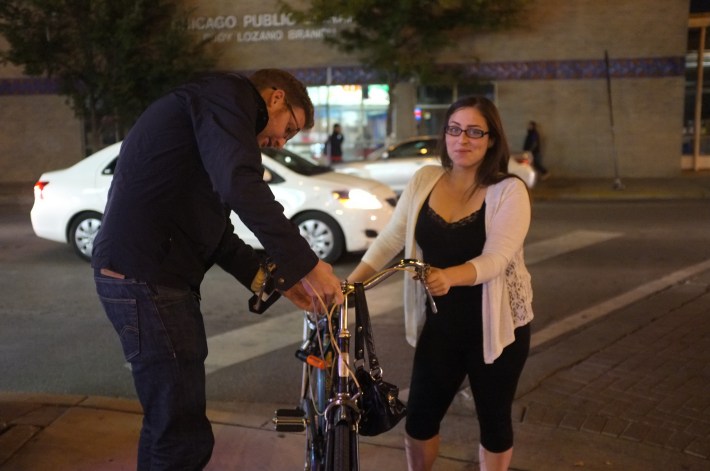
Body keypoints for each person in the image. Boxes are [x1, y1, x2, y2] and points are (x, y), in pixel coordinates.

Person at [91, 69, 343, 470]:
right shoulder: (227, 97)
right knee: (182, 436)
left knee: (167, 425)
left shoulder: (215, 115)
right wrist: (307, 264)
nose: (280, 142)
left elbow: (213, 228)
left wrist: (273, 279)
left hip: (146, 274)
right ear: (275, 98)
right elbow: (239, 185)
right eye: (288, 127)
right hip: (146, 276)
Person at [348, 96, 534, 471]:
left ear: (491, 139)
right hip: (442, 323)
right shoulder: (425, 179)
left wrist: (449, 276)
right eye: (454, 129)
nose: (462, 139)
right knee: (419, 418)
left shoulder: (508, 191)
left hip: (496, 328)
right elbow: (391, 238)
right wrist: (349, 286)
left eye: (474, 131)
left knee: (494, 422)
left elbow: (497, 259)